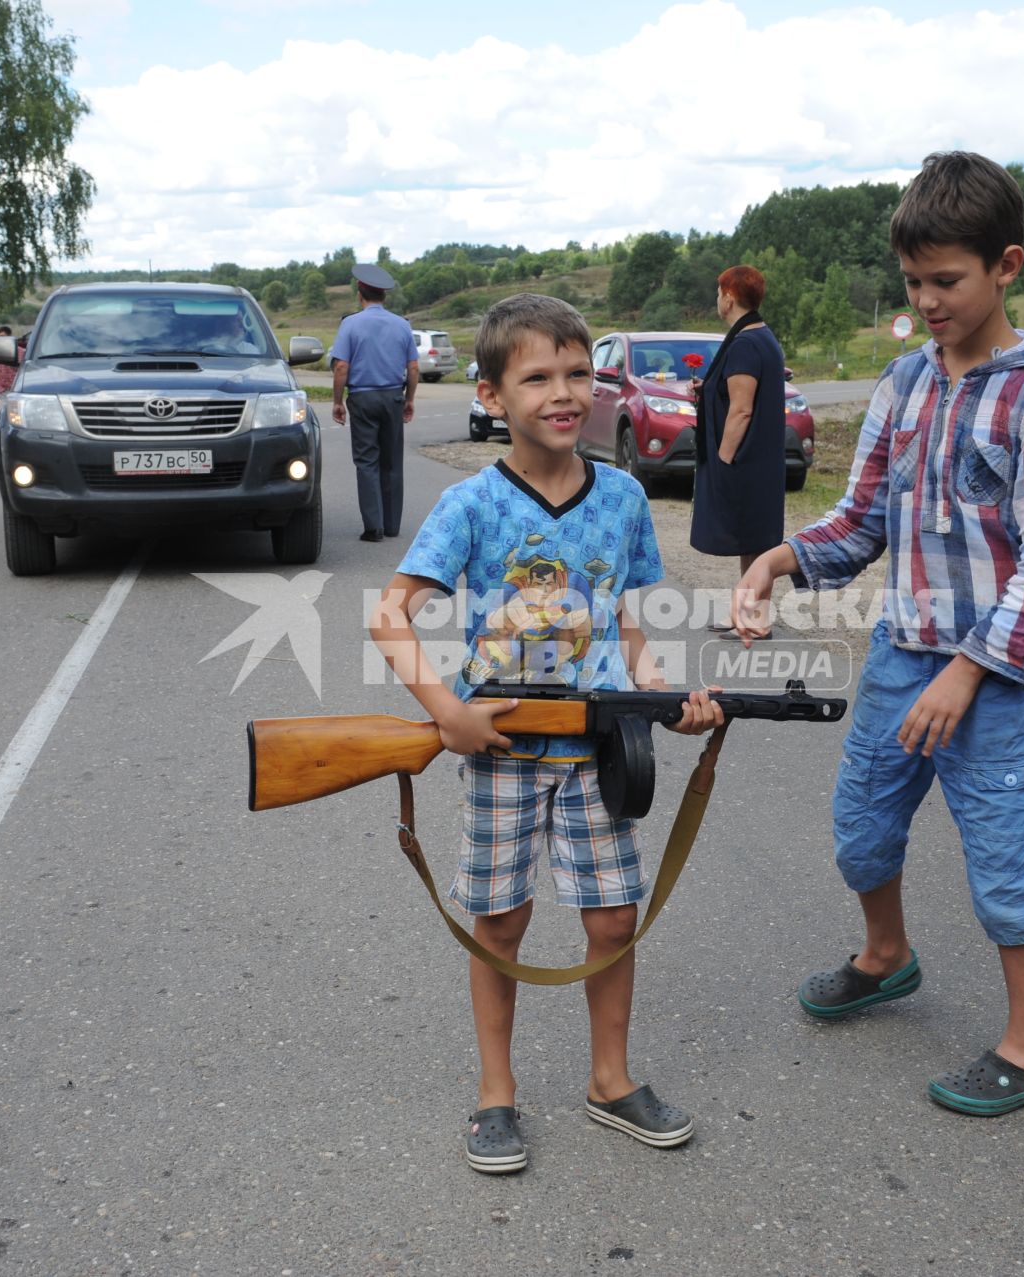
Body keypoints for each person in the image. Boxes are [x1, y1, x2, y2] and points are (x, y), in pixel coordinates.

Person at [734, 153, 1024, 1116]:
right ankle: (885, 954)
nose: (928, 302)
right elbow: (858, 525)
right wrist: (775, 561)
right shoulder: (904, 383)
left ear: (1006, 265)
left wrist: (971, 672)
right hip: (903, 655)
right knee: (861, 827)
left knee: (1003, 863)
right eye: (913, 283)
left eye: (948, 281)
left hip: (997, 682)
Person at [367, 293, 723, 1174]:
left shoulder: (627, 496)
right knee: (501, 921)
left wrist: (656, 688)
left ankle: (611, 1079)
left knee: (612, 919)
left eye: (577, 374)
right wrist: (446, 712)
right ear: (492, 395)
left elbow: (627, 618)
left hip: (600, 749)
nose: (563, 393)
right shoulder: (472, 504)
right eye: (537, 377)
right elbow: (391, 617)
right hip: (501, 750)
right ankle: (497, 1094)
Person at [691, 264, 787, 632]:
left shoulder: (746, 343)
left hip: (746, 461)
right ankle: (749, 617)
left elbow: (742, 408)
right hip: (760, 460)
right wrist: (707, 393)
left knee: (756, 541)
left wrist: (723, 458)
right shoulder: (759, 335)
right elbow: (735, 395)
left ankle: (756, 621)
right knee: (753, 540)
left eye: (719, 293)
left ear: (729, 297)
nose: (717, 299)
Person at [330, 263, 417, 542]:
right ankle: (392, 525)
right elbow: (413, 368)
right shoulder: (402, 325)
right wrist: (409, 399)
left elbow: (341, 366)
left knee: (367, 461)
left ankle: (373, 527)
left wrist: (337, 401)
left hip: (363, 398)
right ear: (384, 295)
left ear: (360, 293)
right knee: (392, 462)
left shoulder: (350, 324)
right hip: (393, 396)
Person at [0, 325, 17, 394]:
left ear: (9, 336)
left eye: (2, 336)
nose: (0, 339)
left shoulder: (19, 352)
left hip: (15, 390)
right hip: (1, 391)